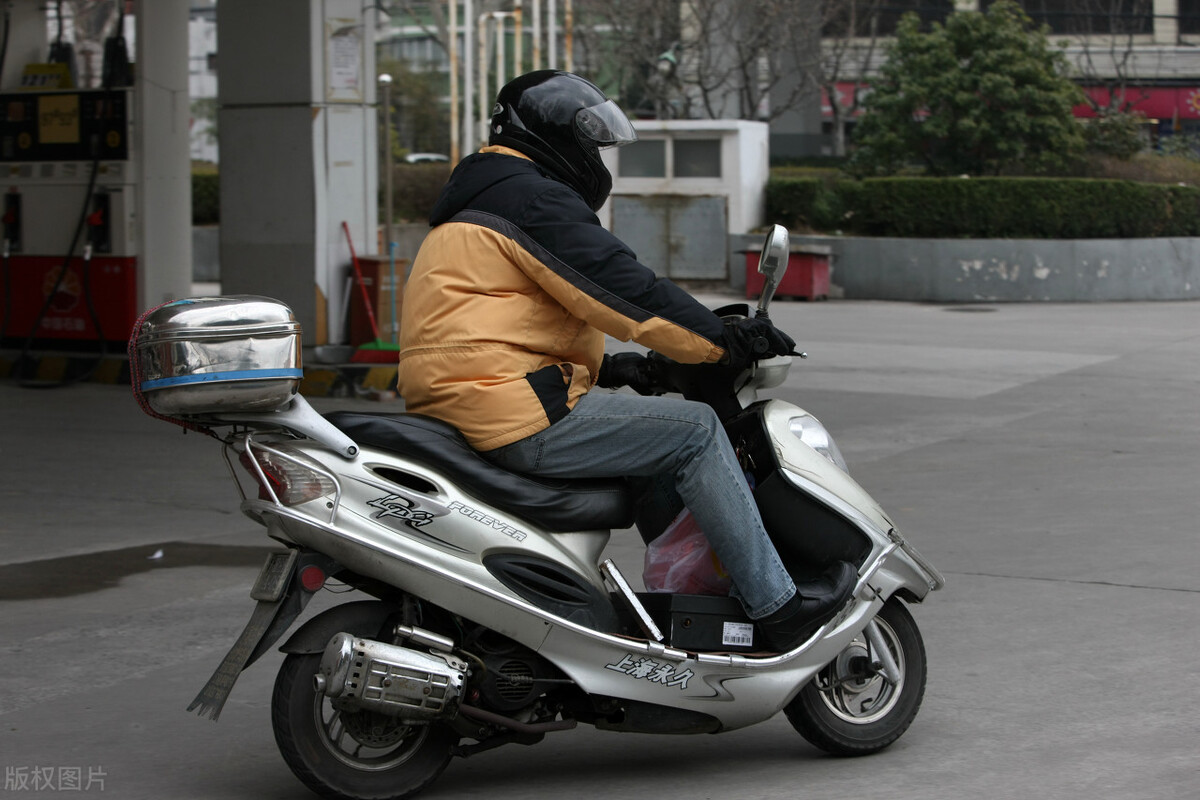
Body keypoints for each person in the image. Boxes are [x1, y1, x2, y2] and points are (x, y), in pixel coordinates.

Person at [396, 70, 855, 652]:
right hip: (505, 412)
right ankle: (779, 606)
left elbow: (498, 329)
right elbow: (623, 290)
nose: (595, 159)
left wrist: (618, 370)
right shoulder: (532, 199)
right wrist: (724, 340)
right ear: (555, 137)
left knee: (651, 447)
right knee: (695, 431)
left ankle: (685, 600)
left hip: (463, 402)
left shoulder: (477, 201)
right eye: (591, 144)